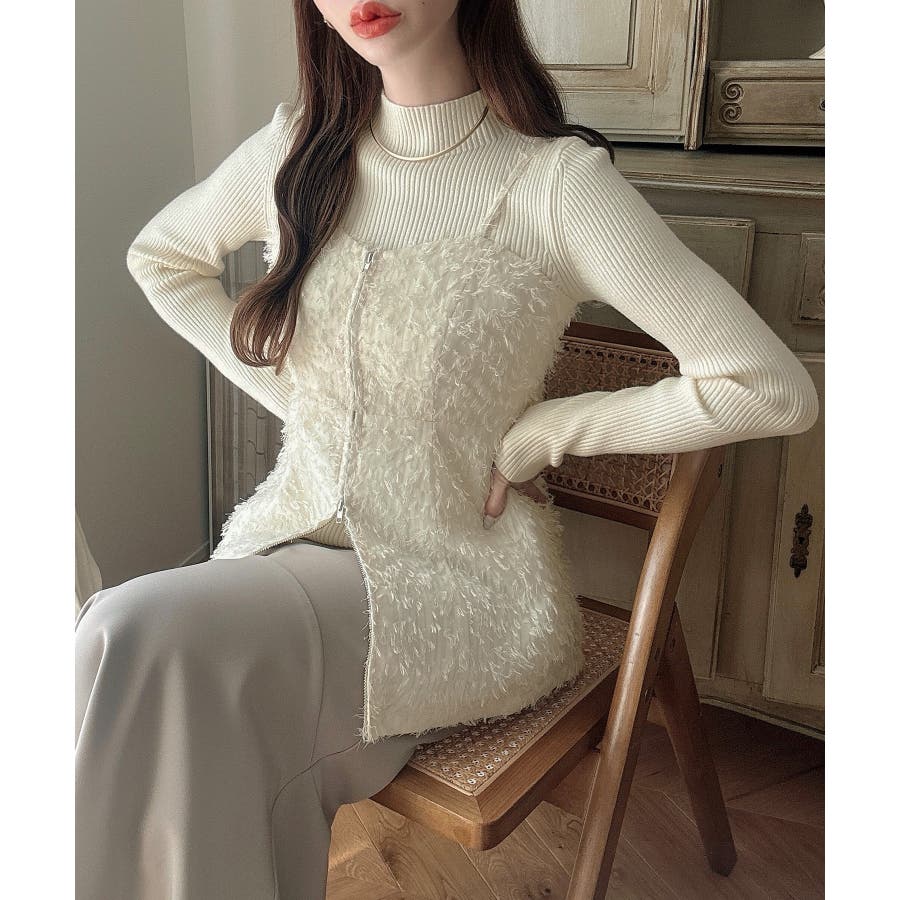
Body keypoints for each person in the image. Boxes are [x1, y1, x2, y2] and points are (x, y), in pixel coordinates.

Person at [75, 1, 820, 897]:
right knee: (128, 656)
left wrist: (545, 435)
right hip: (290, 543)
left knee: (129, 638)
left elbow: (768, 386)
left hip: (451, 580)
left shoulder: (555, 187)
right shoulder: (295, 152)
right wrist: (297, 398)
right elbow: (162, 258)